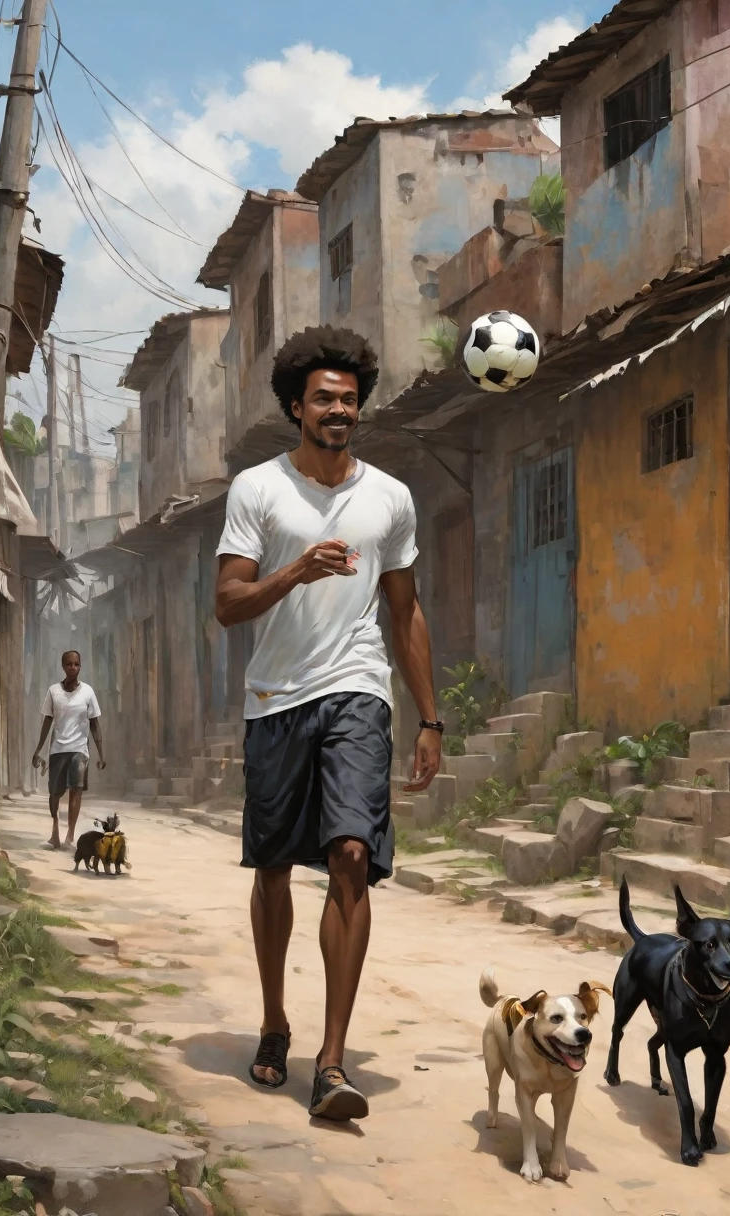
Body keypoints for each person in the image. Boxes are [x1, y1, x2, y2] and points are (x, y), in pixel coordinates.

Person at [215, 325, 442, 1122]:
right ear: (295, 407)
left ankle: (334, 1062)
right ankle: (275, 1020)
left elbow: (405, 612)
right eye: (324, 398)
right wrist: (296, 570)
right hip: (276, 699)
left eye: (349, 399)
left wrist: (430, 718)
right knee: (274, 868)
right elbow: (227, 603)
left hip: (357, 691)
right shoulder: (258, 490)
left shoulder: (390, 498)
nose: (339, 409)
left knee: (351, 856)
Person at [32, 650, 106, 850]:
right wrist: (38, 749)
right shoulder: (53, 691)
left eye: (76, 664)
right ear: (63, 666)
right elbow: (47, 721)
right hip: (57, 750)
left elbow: (94, 724)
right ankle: (55, 830)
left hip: (79, 750)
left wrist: (100, 753)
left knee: (76, 789)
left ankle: (70, 835)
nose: (72, 667)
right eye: (68, 664)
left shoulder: (88, 692)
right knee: (54, 793)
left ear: (80, 666)